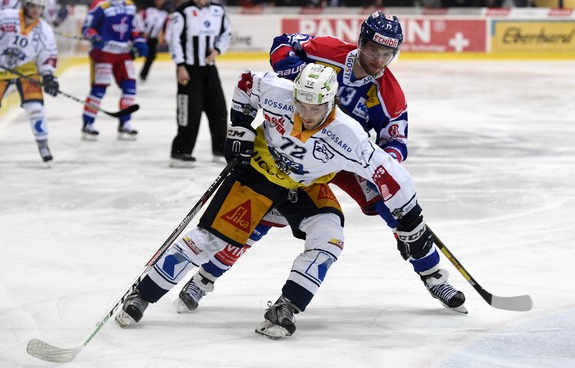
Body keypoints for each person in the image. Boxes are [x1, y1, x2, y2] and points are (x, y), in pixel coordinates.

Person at [115, 63, 456, 339]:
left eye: (315, 107)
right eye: (301, 105)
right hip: (258, 176)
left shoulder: (347, 135)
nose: (306, 114)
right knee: (209, 240)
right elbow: (247, 82)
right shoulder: (279, 92)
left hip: (303, 187)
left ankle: (286, 306)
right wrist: (240, 128)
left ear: (332, 102)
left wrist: (411, 221)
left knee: (330, 237)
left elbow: (393, 175)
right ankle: (142, 294)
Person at [174, 11, 466, 314]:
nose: (379, 60)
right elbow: (282, 44)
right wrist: (294, 73)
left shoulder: (389, 94)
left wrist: (381, 169)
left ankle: (433, 276)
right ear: (361, 42)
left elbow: (395, 142)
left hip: (340, 157)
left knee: (397, 210)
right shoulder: (328, 51)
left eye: (387, 53)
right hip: (292, 146)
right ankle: (204, 278)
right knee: (260, 216)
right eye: (373, 50)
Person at [0, 0, 59, 163]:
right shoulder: (4, 18)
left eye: (39, 7)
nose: (36, 10)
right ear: (25, 5)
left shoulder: (45, 30)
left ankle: (43, 145)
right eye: (32, 6)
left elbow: (48, 55)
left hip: (26, 71)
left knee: (36, 109)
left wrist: (49, 76)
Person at [167, 0, 230, 167]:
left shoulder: (218, 10)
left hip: (209, 68)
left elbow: (226, 33)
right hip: (188, 69)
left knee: (218, 109)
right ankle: (180, 153)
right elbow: (173, 40)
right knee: (189, 111)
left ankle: (220, 150)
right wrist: (180, 65)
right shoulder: (182, 11)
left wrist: (217, 50)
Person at [80, 0, 148, 141]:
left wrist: (138, 41)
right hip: (103, 54)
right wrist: (94, 37)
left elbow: (132, 28)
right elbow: (87, 28)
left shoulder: (130, 5)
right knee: (99, 90)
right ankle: (88, 123)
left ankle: (125, 122)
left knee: (130, 87)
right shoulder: (100, 5)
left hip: (123, 53)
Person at [137, 0, 168, 82]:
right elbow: (139, 18)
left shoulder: (164, 14)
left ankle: (143, 75)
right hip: (143, 37)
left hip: (153, 38)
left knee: (152, 55)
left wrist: (164, 37)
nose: (160, 2)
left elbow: (165, 26)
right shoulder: (148, 10)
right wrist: (142, 32)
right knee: (136, 52)